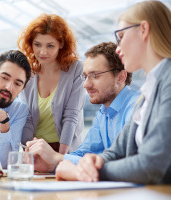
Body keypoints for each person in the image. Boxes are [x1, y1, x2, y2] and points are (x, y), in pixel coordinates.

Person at [56, 1, 171, 184]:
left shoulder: (168, 82)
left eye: (122, 36)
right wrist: (96, 161)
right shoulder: (147, 94)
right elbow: (116, 152)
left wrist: (83, 172)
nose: (118, 48)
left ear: (143, 30)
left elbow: (152, 164)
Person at [25, 42, 140, 173]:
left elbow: (128, 162)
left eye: (95, 75)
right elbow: (84, 154)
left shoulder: (137, 109)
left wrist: (56, 158)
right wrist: (52, 164)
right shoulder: (103, 114)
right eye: (85, 77)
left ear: (121, 77)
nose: (85, 85)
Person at [18, 14, 85, 154]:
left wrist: (61, 157)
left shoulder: (75, 68)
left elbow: (71, 115)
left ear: (61, 44)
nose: (42, 52)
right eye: (37, 44)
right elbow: (28, 118)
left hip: (65, 148)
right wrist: (27, 151)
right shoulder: (28, 73)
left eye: (50, 45)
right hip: (36, 148)